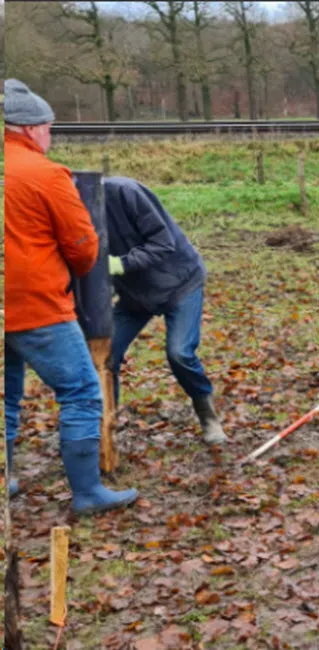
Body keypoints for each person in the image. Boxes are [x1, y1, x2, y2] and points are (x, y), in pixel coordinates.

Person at [3, 78, 139, 514]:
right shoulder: (45, 174)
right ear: (29, 129)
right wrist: (79, 275)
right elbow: (83, 244)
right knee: (81, 390)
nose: (50, 136)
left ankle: (7, 479)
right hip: (35, 304)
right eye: (48, 128)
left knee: (6, 394)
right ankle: (87, 492)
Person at [103, 176, 226, 445]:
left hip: (179, 282)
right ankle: (105, 426)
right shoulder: (70, 213)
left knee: (179, 353)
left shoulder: (126, 192)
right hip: (135, 295)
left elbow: (162, 242)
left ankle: (208, 416)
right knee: (105, 355)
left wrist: (119, 265)